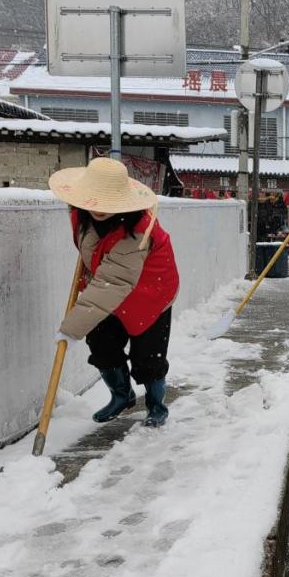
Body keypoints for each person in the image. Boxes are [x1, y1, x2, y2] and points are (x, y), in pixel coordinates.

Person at [50, 157, 180, 428]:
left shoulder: (139, 232)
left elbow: (115, 279)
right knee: (101, 344)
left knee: (148, 356)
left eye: (108, 200)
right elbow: (96, 261)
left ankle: (157, 406)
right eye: (96, 197)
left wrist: (71, 327)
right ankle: (122, 395)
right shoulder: (79, 214)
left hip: (150, 292)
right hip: (109, 289)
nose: (100, 207)